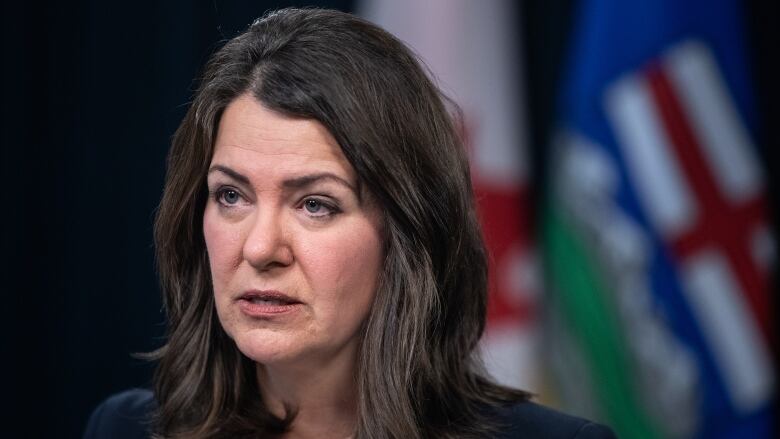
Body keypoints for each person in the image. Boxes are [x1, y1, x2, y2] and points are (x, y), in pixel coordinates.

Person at [85, 7, 616, 439]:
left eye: (316, 204)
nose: (260, 248)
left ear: (405, 235)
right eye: (231, 195)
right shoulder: (125, 429)